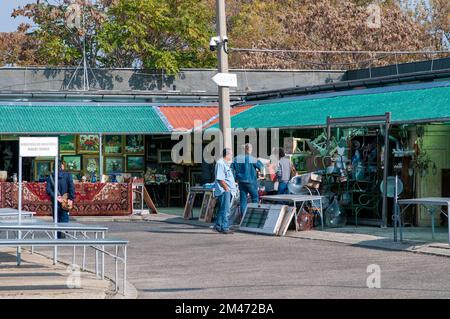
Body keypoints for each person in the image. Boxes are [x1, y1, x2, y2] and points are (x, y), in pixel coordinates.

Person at [231, 143, 263, 217]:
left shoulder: (236, 159)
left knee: (243, 200)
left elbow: (231, 170)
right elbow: (261, 167)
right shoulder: (252, 158)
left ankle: (243, 217)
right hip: (251, 181)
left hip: (241, 182)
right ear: (250, 150)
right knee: (255, 198)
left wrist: (235, 179)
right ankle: (254, 216)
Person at [46, 161, 75, 239]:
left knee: (57, 219)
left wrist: (55, 197)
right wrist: (71, 198)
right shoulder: (68, 175)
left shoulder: (51, 177)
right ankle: (64, 234)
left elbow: (48, 190)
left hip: (55, 202)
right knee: (64, 217)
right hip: (65, 201)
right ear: (61, 167)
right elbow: (71, 187)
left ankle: (58, 236)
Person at [213, 148, 236, 234]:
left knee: (222, 209)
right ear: (227, 155)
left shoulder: (224, 163)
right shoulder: (220, 163)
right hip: (224, 191)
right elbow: (220, 178)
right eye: (231, 154)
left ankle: (218, 225)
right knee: (226, 210)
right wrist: (227, 188)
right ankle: (225, 227)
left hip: (226, 190)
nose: (232, 156)